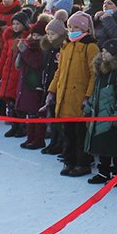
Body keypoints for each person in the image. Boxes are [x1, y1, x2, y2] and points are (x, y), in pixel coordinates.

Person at [46, 11, 100, 178]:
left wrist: (88, 95)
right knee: (68, 133)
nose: (71, 30)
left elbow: (94, 74)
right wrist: (52, 91)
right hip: (65, 97)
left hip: (79, 98)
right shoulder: (67, 45)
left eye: (75, 27)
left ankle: (82, 163)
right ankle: (69, 161)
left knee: (80, 134)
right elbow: (59, 71)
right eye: (69, 27)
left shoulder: (90, 46)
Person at [84, 38, 117, 185]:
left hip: (112, 116)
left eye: (107, 51)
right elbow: (95, 92)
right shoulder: (101, 71)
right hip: (99, 116)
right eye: (102, 51)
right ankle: (103, 172)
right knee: (101, 145)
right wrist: (89, 106)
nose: (103, 54)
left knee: (115, 147)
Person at [0, 11, 31, 138]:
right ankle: (14, 125)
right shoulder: (9, 40)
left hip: (18, 76)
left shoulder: (27, 40)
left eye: (18, 24)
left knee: (19, 102)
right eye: (13, 23)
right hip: (8, 75)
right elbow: (3, 59)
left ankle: (21, 126)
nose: (15, 26)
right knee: (10, 102)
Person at [15, 16, 49, 150]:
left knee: (37, 113)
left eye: (38, 35)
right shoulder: (29, 46)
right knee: (30, 112)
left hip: (37, 85)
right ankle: (30, 137)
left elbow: (36, 63)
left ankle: (38, 139)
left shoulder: (43, 50)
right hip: (27, 83)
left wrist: (24, 52)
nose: (35, 37)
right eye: (33, 34)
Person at [39, 10, 69, 155]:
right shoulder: (49, 49)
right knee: (51, 115)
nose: (50, 37)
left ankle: (60, 142)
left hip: (59, 86)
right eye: (48, 34)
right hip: (49, 84)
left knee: (59, 118)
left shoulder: (62, 48)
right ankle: (53, 141)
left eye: (53, 34)